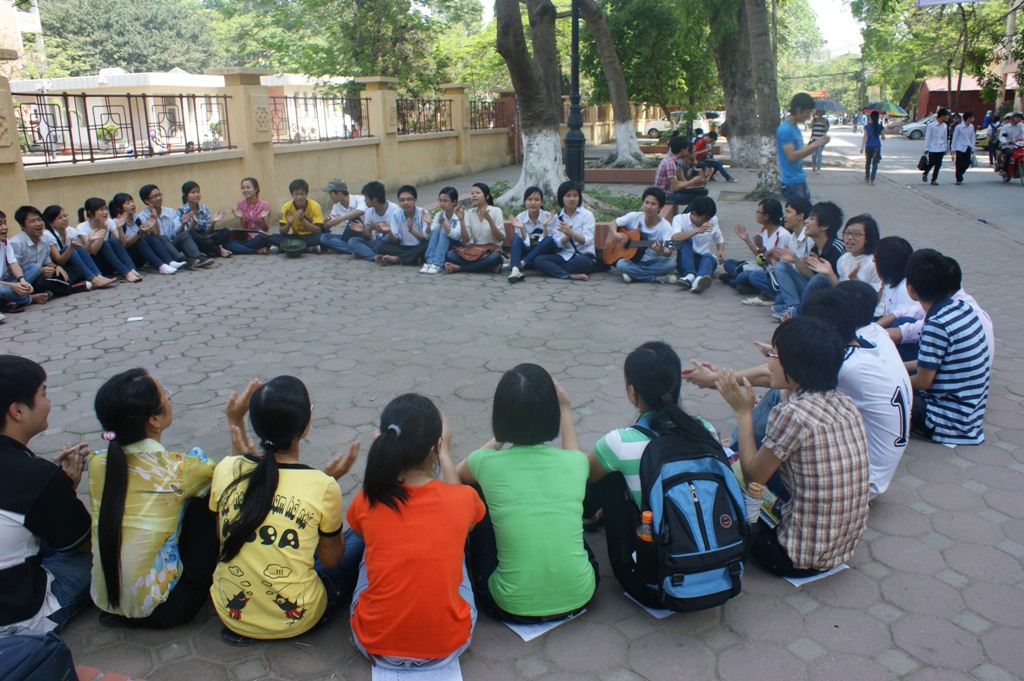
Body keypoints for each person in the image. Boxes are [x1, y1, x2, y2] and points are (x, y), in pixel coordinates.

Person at [210, 376, 364, 644]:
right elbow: (330, 560)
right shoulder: (322, 486)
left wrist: (234, 421)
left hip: (230, 613)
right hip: (298, 619)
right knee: (361, 537)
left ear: (256, 426)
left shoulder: (225, 469)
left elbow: (221, 536)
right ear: (304, 428)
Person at [716, 317, 870, 577]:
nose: (768, 361)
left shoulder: (792, 414)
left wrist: (743, 413)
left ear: (796, 366)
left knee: (728, 468)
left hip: (790, 558)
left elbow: (754, 476)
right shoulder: (845, 402)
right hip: (841, 549)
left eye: (774, 354)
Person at [347, 394, 485, 671]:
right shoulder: (463, 499)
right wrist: (446, 454)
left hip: (374, 646)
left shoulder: (366, 500)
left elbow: (364, 534)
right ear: (436, 445)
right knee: (454, 545)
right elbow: (468, 525)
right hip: (448, 647)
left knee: (365, 544)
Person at [584, 342, 724, 605]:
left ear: (632, 392)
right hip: (724, 570)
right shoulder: (705, 429)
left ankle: (589, 516)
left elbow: (584, 475)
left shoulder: (620, 442)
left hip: (652, 583)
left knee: (608, 474)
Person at [457, 364, 598, 623]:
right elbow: (575, 453)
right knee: (564, 511)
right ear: (551, 415)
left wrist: (499, 438)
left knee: (475, 489)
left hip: (508, 604)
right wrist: (566, 408)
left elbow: (457, 476)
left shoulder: (485, 463)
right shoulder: (576, 464)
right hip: (581, 594)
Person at [88, 369, 219, 629]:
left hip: (106, 601)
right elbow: (225, 480)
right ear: (154, 421)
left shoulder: (97, 463)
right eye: (166, 395)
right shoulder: (181, 469)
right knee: (205, 501)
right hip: (167, 608)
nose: (170, 399)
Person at [0, 356, 92, 634]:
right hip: (16, 621)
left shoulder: (36, 476)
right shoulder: (36, 476)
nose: (49, 402)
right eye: (44, 393)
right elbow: (83, 544)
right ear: (17, 410)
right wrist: (60, 487)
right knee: (100, 557)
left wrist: (59, 486)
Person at [905, 249, 990, 445]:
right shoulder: (962, 308)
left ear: (910, 289)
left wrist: (891, 381)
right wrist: (899, 366)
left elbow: (924, 381)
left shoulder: (936, 324)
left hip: (947, 420)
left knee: (883, 397)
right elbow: (931, 363)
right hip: (970, 414)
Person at [768, 201, 845, 319]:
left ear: (824, 226)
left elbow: (839, 286)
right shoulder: (815, 248)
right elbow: (810, 276)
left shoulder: (837, 249)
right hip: (814, 291)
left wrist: (827, 274)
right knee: (781, 267)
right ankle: (792, 307)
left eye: (812, 219)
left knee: (819, 278)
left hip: (831, 297)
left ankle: (799, 312)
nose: (806, 221)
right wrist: (795, 260)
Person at [603, 187, 678, 284]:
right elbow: (613, 223)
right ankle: (656, 279)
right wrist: (616, 234)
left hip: (652, 262)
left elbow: (668, 252)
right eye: (646, 203)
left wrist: (661, 251)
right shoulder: (634, 216)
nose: (648, 207)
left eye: (653, 204)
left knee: (671, 264)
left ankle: (634, 274)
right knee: (621, 264)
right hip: (632, 260)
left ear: (660, 207)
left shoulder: (666, 227)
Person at [721, 198, 790, 298]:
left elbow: (776, 265)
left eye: (758, 211)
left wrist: (762, 248)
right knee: (728, 263)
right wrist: (747, 239)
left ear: (766, 216)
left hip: (771, 274)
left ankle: (735, 282)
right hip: (761, 267)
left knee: (744, 276)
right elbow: (760, 256)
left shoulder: (783, 236)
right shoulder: (765, 230)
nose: (756, 213)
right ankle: (743, 285)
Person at [529, 180, 595, 282]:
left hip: (583, 256)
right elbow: (558, 244)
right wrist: (567, 237)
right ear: (561, 198)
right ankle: (569, 275)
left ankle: (557, 271)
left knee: (581, 262)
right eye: (568, 196)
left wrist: (572, 233)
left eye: (575, 195)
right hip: (565, 255)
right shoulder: (557, 218)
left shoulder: (587, 215)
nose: (572, 199)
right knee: (538, 260)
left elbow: (587, 241)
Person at [9, 206, 79, 299]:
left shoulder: (45, 238)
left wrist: (56, 267)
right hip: (26, 279)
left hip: (45, 275)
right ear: (23, 226)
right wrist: (40, 271)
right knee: (41, 282)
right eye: (32, 221)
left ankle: (57, 288)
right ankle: (71, 288)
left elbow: (47, 261)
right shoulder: (16, 243)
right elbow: (13, 269)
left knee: (75, 270)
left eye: (39, 219)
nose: (38, 224)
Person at [41, 205, 117, 290]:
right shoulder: (48, 235)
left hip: (73, 264)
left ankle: (98, 276)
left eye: (65, 216)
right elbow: (59, 261)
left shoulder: (71, 230)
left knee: (77, 247)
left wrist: (90, 241)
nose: (64, 219)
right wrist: (71, 247)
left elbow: (83, 252)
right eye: (59, 218)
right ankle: (93, 279)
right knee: (67, 248)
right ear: (51, 223)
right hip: (60, 267)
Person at [137, 185, 213, 269]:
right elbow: (154, 237)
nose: (159, 198)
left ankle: (197, 258)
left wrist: (183, 224)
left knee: (184, 234)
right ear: (147, 201)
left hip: (172, 245)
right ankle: (183, 261)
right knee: (162, 237)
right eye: (154, 196)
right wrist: (154, 219)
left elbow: (177, 232)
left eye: (159, 195)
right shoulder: (142, 216)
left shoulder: (170, 211)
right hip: (159, 250)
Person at [873, 236, 924, 361]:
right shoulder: (890, 282)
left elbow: (903, 324)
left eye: (876, 260)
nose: (874, 263)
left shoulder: (906, 289)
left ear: (886, 263)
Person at [109, 193, 183, 275]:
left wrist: (155, 220)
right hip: (129, 260)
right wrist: (138, 233)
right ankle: (161, 266)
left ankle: (169, 262)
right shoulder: (115, 223)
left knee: (149, 237)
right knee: (139, 239)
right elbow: (123, 245)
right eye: (128, 203)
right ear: (119, 208)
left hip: (142, 257)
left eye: (132, 201)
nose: (132, 204)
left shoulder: (138, 218)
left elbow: (156, 235)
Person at [776, 93, 830, 202]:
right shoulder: (785, 130)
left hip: (799, 181)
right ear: (798, 110)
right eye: (807, 113)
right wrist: (814, 144)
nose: (809, 116)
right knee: (800, 217)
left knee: (806, 217)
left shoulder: (794, 128)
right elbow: (791, 156)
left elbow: (801, 153)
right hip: (791, 184)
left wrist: (816, 145)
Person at [79, 198, 144, 284]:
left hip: (111, 262)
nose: (105, 212)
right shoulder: (82, 227)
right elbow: (93, 251)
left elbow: (122, 244)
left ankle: (131, 270)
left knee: (113, 241)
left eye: (105, 208)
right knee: (105, 244)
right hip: (97, 265)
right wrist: (103, 232)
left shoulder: (109, 222)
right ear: (90, 213)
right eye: (101, 210)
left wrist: (119, 228)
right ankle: (126, 273)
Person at [444, 182, 504, 274]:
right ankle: (487, 267)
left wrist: (489, 220)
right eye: (472, 193)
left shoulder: (496, 211)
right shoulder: (470, 213)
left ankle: (460, 268)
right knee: (450, 254)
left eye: (477, 193)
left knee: (495, 257)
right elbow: (465, 240)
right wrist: (461, 220)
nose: (474, 196)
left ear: (487, 196)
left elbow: (500, 238)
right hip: (474, 252)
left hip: (491, 252)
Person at [672, 196, 723, 293]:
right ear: (694, 213)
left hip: (704, 261)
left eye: (709, 218)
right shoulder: (679, 219)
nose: (707, 221)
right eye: (704, 219)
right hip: (685, 261)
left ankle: (698, 281)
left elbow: (719, 239)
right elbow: (675, 237)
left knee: (709, 257)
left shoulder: (713, 220)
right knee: (685, 240)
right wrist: (698, 230)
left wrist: (720, 251)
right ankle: (690, 275)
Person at [375, 185, 430, 266]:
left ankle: (396, 259)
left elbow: (425, 238)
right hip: (403, 247)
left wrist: (412, 231)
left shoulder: (423, 213)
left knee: (427, 244)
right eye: (402, 200)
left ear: (415, 200)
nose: (406, 203)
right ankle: (412, 258)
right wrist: (389, 232)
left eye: (409, 199)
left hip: (419, 247)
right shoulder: (396, 214)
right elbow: (394, 240)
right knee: (380, 246)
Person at [653, 136, 708, 217]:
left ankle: (684, 217)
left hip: (668, 191)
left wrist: (695, 183)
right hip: (665, 196)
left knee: (703, 191)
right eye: (687, 149)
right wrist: (692, 181)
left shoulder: (671, 160)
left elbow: (675, 183)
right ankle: (683, 218)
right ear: (682, 150)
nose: (687, 151)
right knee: (700, 199)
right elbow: (675, 187)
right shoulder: (670, 163)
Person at [506, 185, 552, 282]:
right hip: (526, 252)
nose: (533, 203)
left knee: (549, 240)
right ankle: (515, 270)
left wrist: (544, 226)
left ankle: (521, 264)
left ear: (541, 202)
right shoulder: (521, 217)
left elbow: (546, 244)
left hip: (539, 256)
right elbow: (526, 244)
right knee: (516, 239)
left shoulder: (547, 216)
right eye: (529, 199)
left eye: (537, 199)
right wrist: (522, 228)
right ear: (525, 202)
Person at [349, 181, 401, 262]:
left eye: (366, 198)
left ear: (375, 199)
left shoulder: (395, 210)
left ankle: (364, 252)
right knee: (353, 241)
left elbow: (394, 240)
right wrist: (363, 230)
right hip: (377, 243)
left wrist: (380, 229)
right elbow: (368, 237)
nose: (364, 201)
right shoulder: (369, 211)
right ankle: (375, 257)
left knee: (383, 242)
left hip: (391, 243)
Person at [180, 181, 231, 258]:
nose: (196, 195)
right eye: (193, 192)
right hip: (194, 239)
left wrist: (213, 222)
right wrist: (193, 223)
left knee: (225, 231)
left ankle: (206, 250)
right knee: (191, 235)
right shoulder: (182, 211)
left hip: (205, 237)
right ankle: (218, 250)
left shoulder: (204, 208)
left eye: (198, 192)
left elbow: (208, 231)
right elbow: (185, 235)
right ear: (186, 196)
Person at [420, 187, 463, 275]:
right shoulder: (439, 215)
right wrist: (428, 225)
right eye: (440, 200)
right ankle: (429, 262)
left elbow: (457, 236)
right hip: (445, 245)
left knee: (444, 231)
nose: (442, 203)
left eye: (445, 201)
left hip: (460, 245)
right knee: (436, 229)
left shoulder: (460, 213)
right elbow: (428, 236)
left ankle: (437, 263)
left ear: (454, 202)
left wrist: (444, 224)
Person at [275, 179, 324, 253]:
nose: (299, 197)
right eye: (296, 194)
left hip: (311, 237)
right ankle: (310, 249)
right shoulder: (286, 207)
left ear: (306, 194)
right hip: (296, 237)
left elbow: (317, 230)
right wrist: (289, 224)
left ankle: (286, 248)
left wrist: (302, 220)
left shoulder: (315, 206)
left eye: (302, 194)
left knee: (322, 238)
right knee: (274, 237)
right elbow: (282, 232)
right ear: (292, 194)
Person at [319, 179, 366, 255]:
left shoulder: (359, 199)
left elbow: (360, 211)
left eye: (331, 195)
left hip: (362, 234)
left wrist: (341, 219)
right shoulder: (336, 207)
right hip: (347, 237)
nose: (330, 197)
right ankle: (355, 250)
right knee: (324, 237)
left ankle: (341, 247)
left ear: (339, 194)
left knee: (354, 219)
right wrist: (328, 223)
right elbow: (332, 220)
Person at [227, 178, 272, 255]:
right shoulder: (240, 204)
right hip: (247, 238)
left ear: (256, 189)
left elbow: (266, 229)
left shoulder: (265, 205)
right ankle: (257, 251)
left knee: (264, 238)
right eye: (243, 188)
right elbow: (243, 229)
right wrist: (241, 218)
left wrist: (263, 219)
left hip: (261, 238)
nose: (245, 190)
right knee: (226, 243)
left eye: (248, 187)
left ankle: (241, 248)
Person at [0, 211, 35, 309]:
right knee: (3, 290)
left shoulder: (5, 242)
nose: (5, 227)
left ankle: (11, 298)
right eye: (0, 224)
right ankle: (29, 299)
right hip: (2, 286)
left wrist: (22, 281)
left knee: (34, 268)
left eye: (5, 223)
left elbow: (13, 263)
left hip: (5, 281)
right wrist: (12, 286)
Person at [922, 108, 950, 185]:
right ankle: (925, 173)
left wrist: (945, 147)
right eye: (946, 116)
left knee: (938, 164)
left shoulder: (944, 126)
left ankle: (934, 179)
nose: (947, 118)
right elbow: (928, 137)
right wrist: (926, 148)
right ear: (942, 116)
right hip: (932, 148)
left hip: (941, 148)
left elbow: (945, 137)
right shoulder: (932, 125)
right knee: (932, 163)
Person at [860, 111, 885, 185]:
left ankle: (867, 177)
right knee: (875, 163)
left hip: (868, 146)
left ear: (871, 117)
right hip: (877, 146)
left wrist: (862, 148)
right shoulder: (880, 126)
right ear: (878, 118)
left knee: (868, 162)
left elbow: (865, 137)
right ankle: (872, 180)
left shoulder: (867, 127)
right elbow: (883, 138)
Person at [951, 111, 975, 186]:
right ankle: (958, 179)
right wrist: (953, 149)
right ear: (968, 118)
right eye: (972, 117)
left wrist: (973, 147)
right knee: (959, 164)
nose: (973, 119)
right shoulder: (959, 127)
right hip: (960, 147)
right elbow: (954, 138)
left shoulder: (971, 126)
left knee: (967, 163)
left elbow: (972, 137)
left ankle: (960, 174)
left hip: (968, 147)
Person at [996, 111, 1023, 176]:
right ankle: (1005, 170)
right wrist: (1005, 142)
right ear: (1012, 118)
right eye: (1017, 117)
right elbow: (1001, 136)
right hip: (1008, 145)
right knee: (1009, 153)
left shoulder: (1021, 125)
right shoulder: (1005, 127)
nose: (1018, 119)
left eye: (1020, 117)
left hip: (1019, 145)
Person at [809, 110, 830, 174]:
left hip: (822, 139)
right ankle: (814, 164)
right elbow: (810, 127)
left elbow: (826, 129)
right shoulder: (815, 120)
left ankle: (818, 169)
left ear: (823, 113)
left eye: (821, 112)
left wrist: (824, 123)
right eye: (818, 112)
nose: (819, 113)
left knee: (819, 154)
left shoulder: (825, 120)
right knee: (814, 155)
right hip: (814, 139)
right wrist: (813, 118)